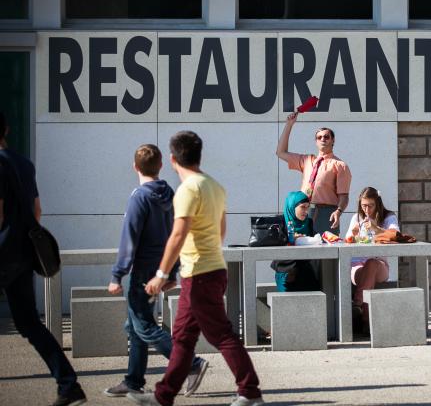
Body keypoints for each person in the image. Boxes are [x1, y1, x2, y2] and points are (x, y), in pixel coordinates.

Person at [130, 131, 263, 406]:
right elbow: (221, 231)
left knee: (221, 335)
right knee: (182, 337)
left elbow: (177, 235)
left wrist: (161, 274)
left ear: (172, 159)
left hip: (200, 274)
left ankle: (250, 392)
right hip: (209, 269)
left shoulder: (188, 190)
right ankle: (163, 395)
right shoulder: (215, 186)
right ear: (198, 155)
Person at [104, 144, 208, 397]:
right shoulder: (169, 193)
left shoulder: (140, 197)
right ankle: (133, 380)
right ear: (161, 165)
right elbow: (175, 235)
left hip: (143, 272)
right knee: (135, 325)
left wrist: (118, 274)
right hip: (159, 267)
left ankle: (191, 363)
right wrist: (170, 271)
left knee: (144, 326)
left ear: (134, 166)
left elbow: (129, 239)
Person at [0, 112, 87, 406]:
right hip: (22, 253)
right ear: (7, 129)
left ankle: (69, 385)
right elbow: (37, 210)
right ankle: (68, 384)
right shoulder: (24, 164)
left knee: (27, 323)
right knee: (28, 323)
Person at [275, 112, 351, 235]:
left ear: (333, 140)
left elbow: (344, 196)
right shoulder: (307, 160)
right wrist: (289, 124)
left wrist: (338, 211)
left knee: (326, 250)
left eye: (326, 137)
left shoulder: (340, 165)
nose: (323, 139)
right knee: (300, 247)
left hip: (326, 212)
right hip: (303, 210)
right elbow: (280, 152)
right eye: (319, 137)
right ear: (315, 141)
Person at [344, 187, 399, 331]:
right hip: (357, 267)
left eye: (370, 206)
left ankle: (357, 304)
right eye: (363, 206)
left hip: (379, 266)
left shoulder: (388, 217)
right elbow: (347, 242)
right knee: (367, 272)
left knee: (372, 263)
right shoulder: (356, 218)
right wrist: (353, 235)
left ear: (378, 204)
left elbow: (396, 236)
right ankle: (367, 323)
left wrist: (377, 229)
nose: (367, 210)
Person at [269, 191, 319, 293]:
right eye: (302, 207)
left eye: (307, 207)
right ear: (292, 206)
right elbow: (273, 244)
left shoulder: (308, 222)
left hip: (306, 270)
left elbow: (315, 241)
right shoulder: (280, 222)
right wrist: (289, 239)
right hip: (286, 269)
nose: (306, 211)